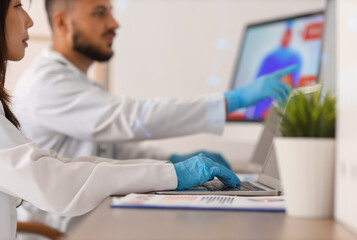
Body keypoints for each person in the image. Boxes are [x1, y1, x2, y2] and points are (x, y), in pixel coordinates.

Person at [0, 1, 242, 238]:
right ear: (62, 22)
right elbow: (132, 119)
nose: (114, 23)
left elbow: (85, 158)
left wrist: (168, 164)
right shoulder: (47, 84)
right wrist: (231, 102)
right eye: (18, 6)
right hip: (59, 226)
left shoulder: (74, 82)